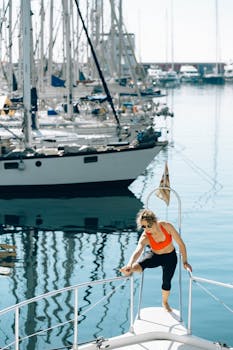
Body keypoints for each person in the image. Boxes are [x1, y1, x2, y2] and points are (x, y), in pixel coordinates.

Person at [120, 209, 192, 312]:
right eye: (143, 226)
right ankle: (129, 269)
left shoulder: (166, 226)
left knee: (166, 282)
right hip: (155, 256)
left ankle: (165, 302)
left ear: (154, 221)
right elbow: (138, 251)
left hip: (170, 257)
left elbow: (181, 244)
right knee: (136, 266)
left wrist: (185, 262)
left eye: (148, 226)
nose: (146, 229)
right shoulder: (145, 236)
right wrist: (129, 264)